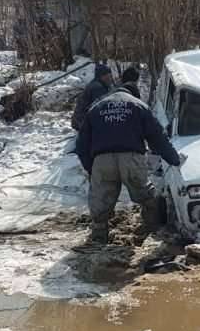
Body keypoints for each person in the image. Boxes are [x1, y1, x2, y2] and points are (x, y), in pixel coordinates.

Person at [75, 87, 181, 244]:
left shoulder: (96, 108)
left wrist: (91, 168)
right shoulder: (138, 106)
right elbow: (157, 137)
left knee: (101, 198)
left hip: (102, 159)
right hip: (131, 157)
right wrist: (174, 159)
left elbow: (81, 144)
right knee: (144, 193)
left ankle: (99, 234)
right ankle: (152, 228)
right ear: (133, 94)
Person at [70, 64, 114, 130]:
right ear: (100, 76)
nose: (109, 78)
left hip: (80, 121)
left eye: (110, 75)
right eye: (106, 76)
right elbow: (102, 108)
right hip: (82, 122)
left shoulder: (98, 84)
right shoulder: (97, 88)